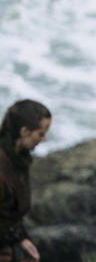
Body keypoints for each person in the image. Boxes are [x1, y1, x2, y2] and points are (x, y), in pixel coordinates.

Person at [0, 99, 52, 262]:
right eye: (41, 133)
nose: (44, 139)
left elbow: (9, 213)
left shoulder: (19, 159)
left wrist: (21, 238)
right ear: (24, 131)